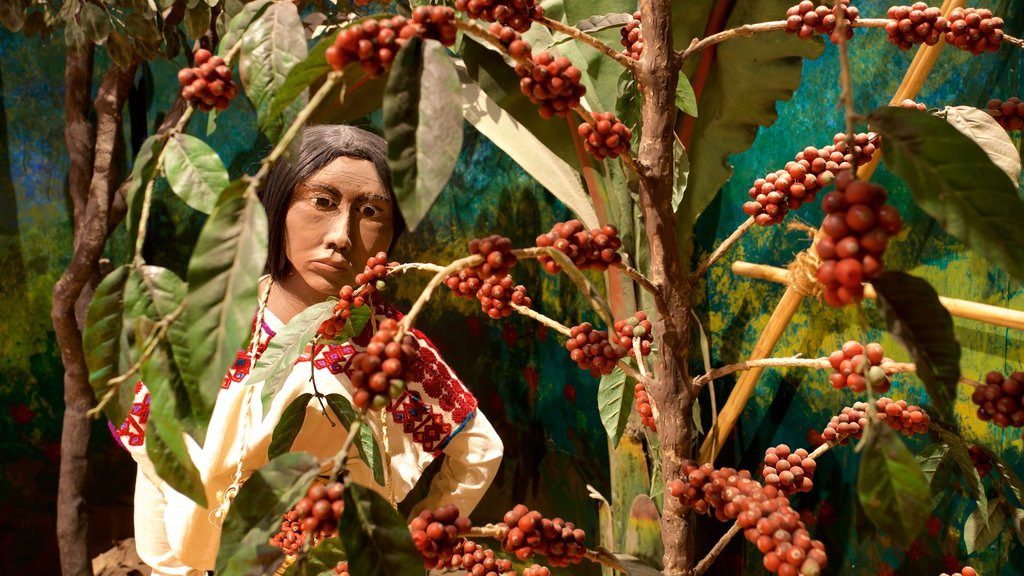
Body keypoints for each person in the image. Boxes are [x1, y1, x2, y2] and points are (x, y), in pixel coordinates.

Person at [114, 125, 503, 575]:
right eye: (322, 202)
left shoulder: (388, 348)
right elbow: (156, 456)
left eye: (371, 210)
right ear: (278, 207)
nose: (342, 234)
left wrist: (413, 546)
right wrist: (172, 568)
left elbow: (478, 448)